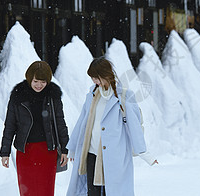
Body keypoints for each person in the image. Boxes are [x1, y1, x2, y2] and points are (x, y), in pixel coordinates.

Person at [66, 57, 157, 196]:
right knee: (93, 192)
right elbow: (82, 122)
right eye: (92, 78)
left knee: (112, 191)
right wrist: (72, 148)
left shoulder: (124, 95)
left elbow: (134, 125)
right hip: (91, 152)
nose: (94, 81)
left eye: (96, 78)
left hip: (114, 155)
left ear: (105, 75)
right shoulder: (92, 94)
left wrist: (144, 153)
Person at [0, 61, 69, 196]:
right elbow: (9, 125)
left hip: (48, 151)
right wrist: (5, 152)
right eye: (36, 81)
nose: (39, 85)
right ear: (30, 78)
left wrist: (65, 149)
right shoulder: (18, 96)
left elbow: (60, 122)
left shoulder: (53, 96)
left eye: (43, 82)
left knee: (45, 191)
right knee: (27, 191)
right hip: (26, 151)